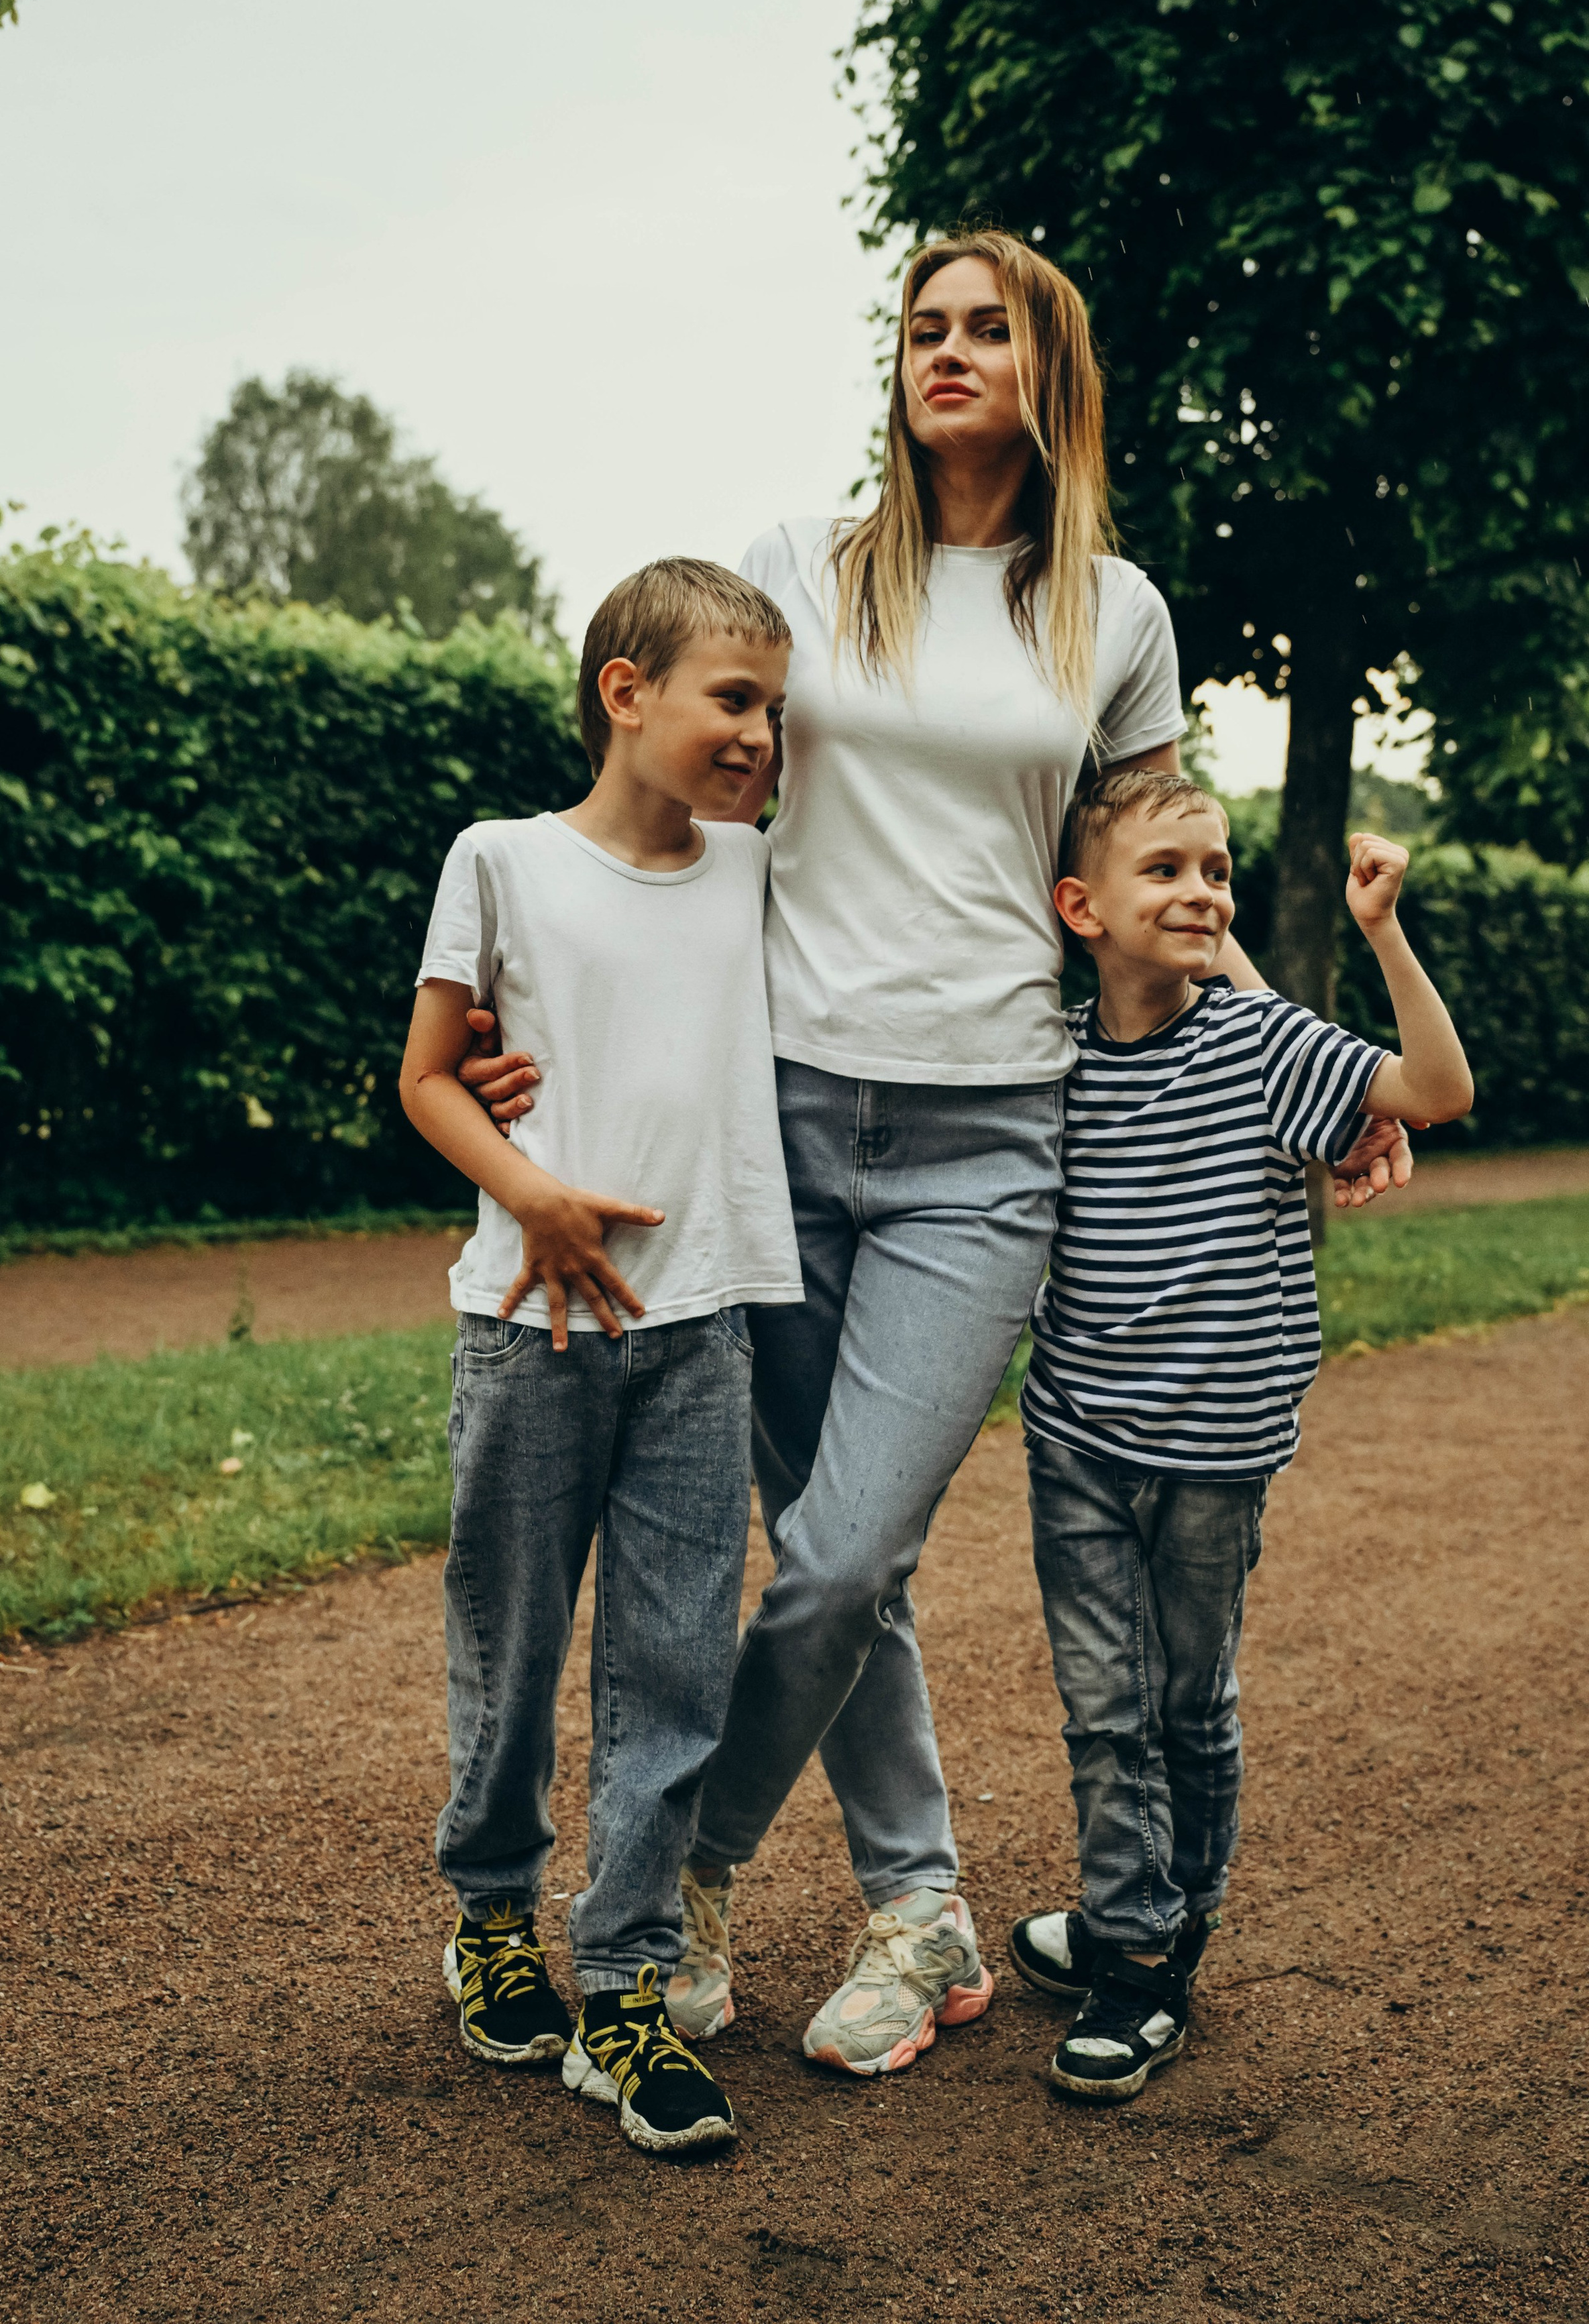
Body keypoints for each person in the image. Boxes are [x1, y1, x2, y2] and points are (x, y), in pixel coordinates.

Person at [458, 229, 1411, 2081]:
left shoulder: (1113, 612)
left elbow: (1161, 888)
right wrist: (534, 1022)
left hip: (991, 1130)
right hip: (777, 1107)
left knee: (836, 1554)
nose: (947, 352)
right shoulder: (795, 563)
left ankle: (688, 1887)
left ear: (1051, 369)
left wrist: (1312, 1084)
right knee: (840, 1563)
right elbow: (669, 805)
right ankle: (923, 1914)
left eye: (988, 328)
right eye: (922, 328)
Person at [397, 558, 801, 2156]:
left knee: (672, 1672)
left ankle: (625, 1985)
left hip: (701, 1331)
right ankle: (491, 1911)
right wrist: (534, 1196)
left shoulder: (755, 872)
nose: (760, 735)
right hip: (530, 1327)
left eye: (774, 708)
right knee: (506, 1648)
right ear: (624, 692)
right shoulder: (497, 860)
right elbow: (430, 1079)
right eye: (731, 699)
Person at [1008, 769, 1472, 2101]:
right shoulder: (1049, 1056)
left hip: (1216, 1453)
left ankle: (1158, 1917)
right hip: (1076, 1440)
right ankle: (1138, 1954)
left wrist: (1380, 931)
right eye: (1165, 870)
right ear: (1077, 906)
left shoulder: (1265, 1045)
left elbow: (1434, 1089)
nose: (1201, 892)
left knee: (1181, 1703)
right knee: (1105, 1715)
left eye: (1213, 870)